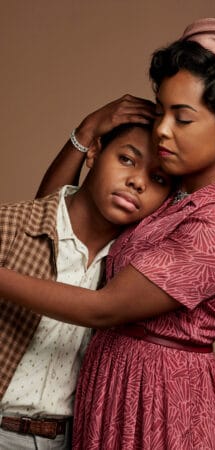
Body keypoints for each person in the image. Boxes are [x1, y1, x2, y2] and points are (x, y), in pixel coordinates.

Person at [0, 18, 215, 449]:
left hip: (160, 409)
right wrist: (85, 134)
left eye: (183, 118)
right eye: (161, 111)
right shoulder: (175, 196)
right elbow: (52, 230)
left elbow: (104, 309)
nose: (162, 129)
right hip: (115, 397)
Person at [0, 119, 172, 450]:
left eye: (158, 178)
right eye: (126, 159)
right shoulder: (11, 228)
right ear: (93, 152)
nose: (137, 181)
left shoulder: (131, 274)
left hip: (72, 439)